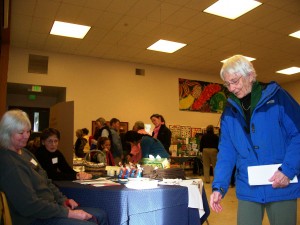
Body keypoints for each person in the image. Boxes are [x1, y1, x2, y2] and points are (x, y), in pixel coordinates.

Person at [210, 55, 300, 225]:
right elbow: (226, 153)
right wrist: (218, 186)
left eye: (235, 81)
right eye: (227, 84)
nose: (231, 88)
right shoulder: (229, 112)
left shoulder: (278, 97)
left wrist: (288, 170)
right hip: (248, 186)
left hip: (280, 183)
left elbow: (298, 134)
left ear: (250, 75)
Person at [0, 109, 108, 225]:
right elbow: (29, 205)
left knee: (101, 214)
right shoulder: (9, 163)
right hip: (34, 218)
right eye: (21, 133)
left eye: (28, 131)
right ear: (7, 133)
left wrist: (63, 200)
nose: (26, 136)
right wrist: (68, 213)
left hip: (51, 209)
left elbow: (46, 180)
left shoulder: (26, 153)